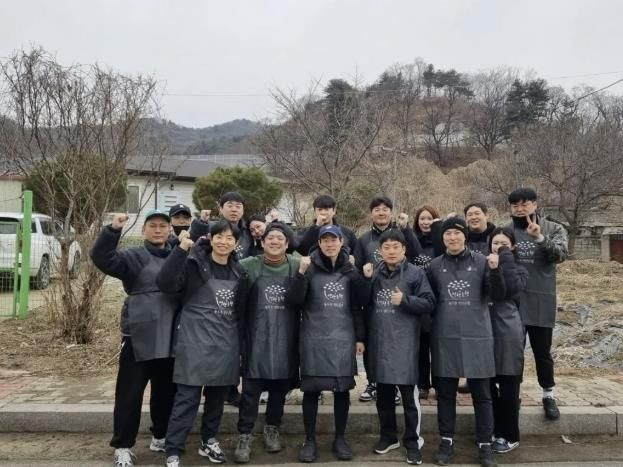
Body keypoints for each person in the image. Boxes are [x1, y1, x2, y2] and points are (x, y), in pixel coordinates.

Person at [90, 210, 179, 467]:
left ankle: (160, 436)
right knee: (130, 394)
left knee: (166, 391)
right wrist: (112, 231)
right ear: (144, 230)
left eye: (163, 226)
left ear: (170, 230)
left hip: (171, 335)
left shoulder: (178, 255)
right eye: (153, 225)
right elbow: (102, 258)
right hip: (138, 336)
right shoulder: (132, 256)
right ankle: (122, 446)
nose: (158, 230)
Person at [157, 221, 246, 467]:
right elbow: (165, 283)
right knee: (187, 398)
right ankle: (174, 448)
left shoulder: (239, 271)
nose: (224, 242)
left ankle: (209, 440)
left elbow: (240, 312)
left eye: (230, 238)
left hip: (225, 343)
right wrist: (181, 250)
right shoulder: (194, 264)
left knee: (216, 399)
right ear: (211, 238)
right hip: (194, 341)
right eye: (219, 236)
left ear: (236, 243)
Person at [285, 225, 366, 463]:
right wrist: (301, 274)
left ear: (342, 242)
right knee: (311, 390)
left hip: (343, 337)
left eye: (334, 240)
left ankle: (340, 438)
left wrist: (360, 337)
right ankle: (309, 440)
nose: (330, 244)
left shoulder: (349, 268)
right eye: (325, 240)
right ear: (319, 244)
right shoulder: (309, 267)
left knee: (342, 390)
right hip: (314, 337)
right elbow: (295, 300)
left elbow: (359, 303)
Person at [427, 217, 503, 467]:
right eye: (447, 234)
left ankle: (485, 445)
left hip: (477, 336)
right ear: (442, 238)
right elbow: (429, 301)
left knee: (482, 394)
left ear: (465, 236)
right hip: (444, 336)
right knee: (445, 394)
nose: (452, 237)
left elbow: (497, 294)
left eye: (457, 233)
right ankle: (446, 442)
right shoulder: (434, 266)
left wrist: (496, 271)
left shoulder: (482, 262)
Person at [363, 229, 436, 465]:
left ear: (404, 249)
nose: (391, 251)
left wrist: (405, 300)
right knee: (383, 394)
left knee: (408, 397)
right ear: (380, 251)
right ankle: (388, 436)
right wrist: (364, 280)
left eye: (396, 247)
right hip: (379, 341)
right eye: (386, 247)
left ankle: (413, 441)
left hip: (406, 342)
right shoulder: (374, 273)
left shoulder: (416, 273)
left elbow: (429, 302)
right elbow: (362, 302)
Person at [233, 222, 301, 463]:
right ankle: (244, 435)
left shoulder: (297, 265)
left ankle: (272, 428)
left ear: (287, 243)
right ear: (262, 242)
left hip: (286, 338)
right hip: (256, 338)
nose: (274, 241)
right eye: (270, 238)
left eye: (280, 238)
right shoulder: (247, 265)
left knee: (279, 390)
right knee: (250, 392)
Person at [505, 188, 568, 420]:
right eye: (515, 206)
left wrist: (540, 238)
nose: (520, 209)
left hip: (541, 298)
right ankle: (514, 394)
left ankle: (548, 394)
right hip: (513, 301)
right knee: (514, 351)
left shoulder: (553, 228)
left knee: (542, 352)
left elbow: (560, 256)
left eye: (525, 204)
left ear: (535, 205)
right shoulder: (506, 230)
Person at [355, 196, 421, 403]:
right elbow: (357, 266)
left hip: (400, 290)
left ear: (391, 213)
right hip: (375, 293)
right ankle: (373, 382)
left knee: (398, 344)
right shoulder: (364, 239)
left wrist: (406, 229)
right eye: (377, 209)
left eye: (385, 209)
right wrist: (365, 278)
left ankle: (398, 386)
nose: (381, 212)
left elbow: (416, 253)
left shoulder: (401, 233)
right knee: (374, 342)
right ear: (371, 214)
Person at [487, 228, 528, 454]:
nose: (499, 247)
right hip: (485, 330)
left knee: (509, 385)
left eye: (504, 244)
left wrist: (504, 261)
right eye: (495, 243)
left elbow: (509, 290)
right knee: (488, 385)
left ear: (512, 246)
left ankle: (510, 434)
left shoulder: (519, 269)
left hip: (508, 330)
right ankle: (494, 429)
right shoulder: (483, 265)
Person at [412, 205, 444, 400]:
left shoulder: (441, 242)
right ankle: (422, 384)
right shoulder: (413, 241)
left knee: (439, 346)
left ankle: (440, 384)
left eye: (429, 219)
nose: (425, 222)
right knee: (421, 344)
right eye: (422, 219)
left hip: (440, 298)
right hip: (419, 298)